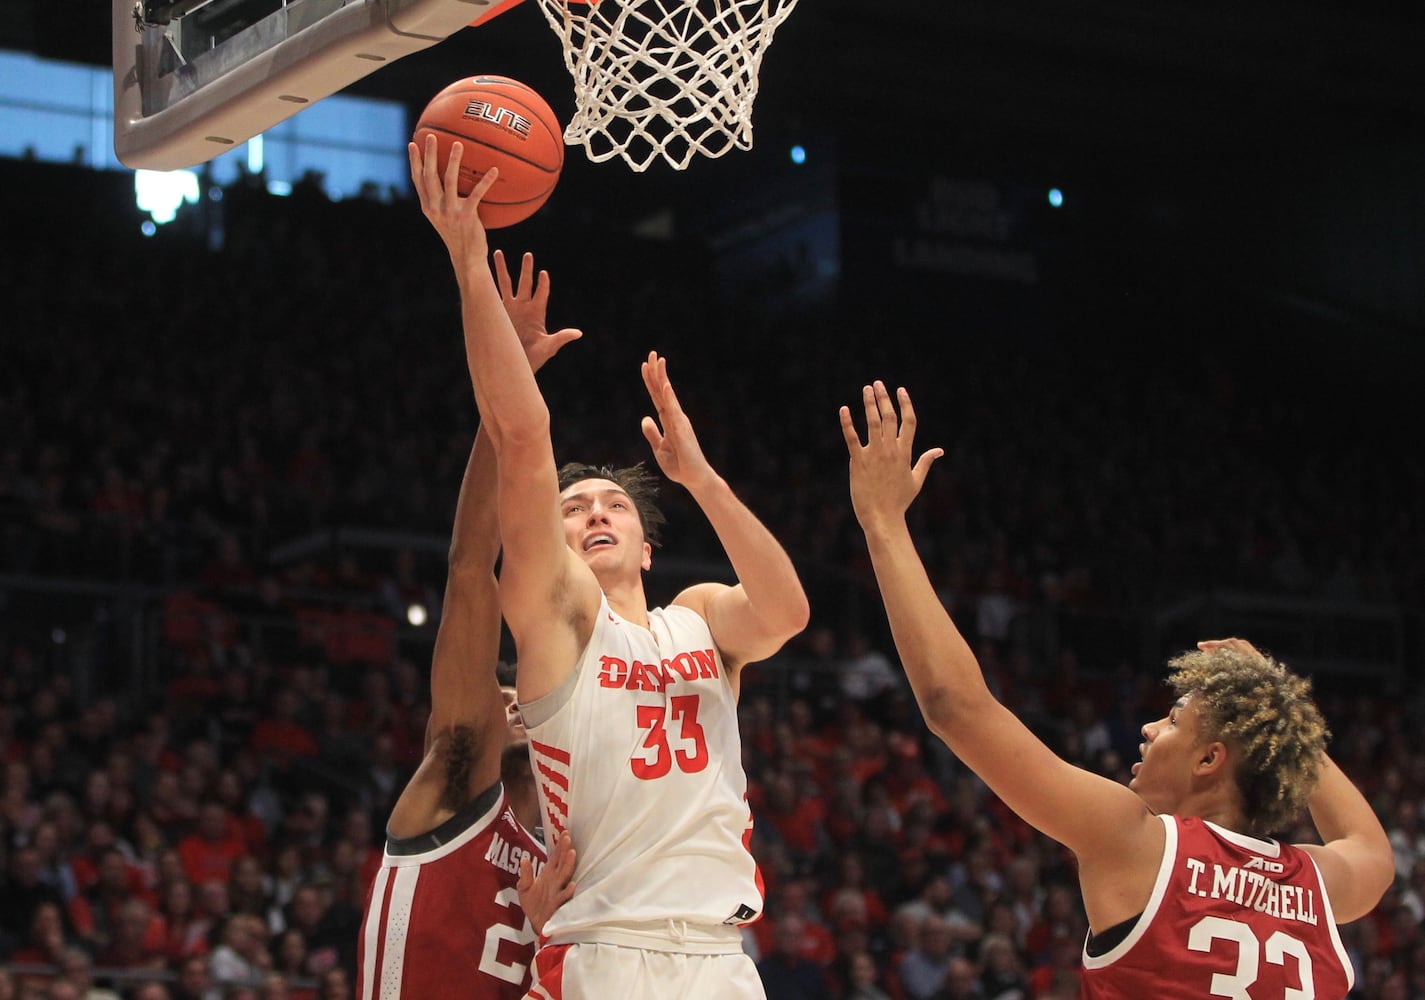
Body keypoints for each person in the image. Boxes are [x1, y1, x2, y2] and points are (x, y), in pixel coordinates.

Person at [409, 137, 811, 999]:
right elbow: (522, 437)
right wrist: (470, 265)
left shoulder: (698, 615)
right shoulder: (556, 620)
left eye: (614, 505)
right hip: (606, 949)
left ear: (646, 545)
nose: (595, 511)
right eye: (573, 508)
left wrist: (698, 476)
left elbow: (784, 614)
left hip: (722, 953)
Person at [838, 381, 1395, 1000]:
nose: (1150, 728)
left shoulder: (1137, 842)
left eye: (1174, 721)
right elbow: (1372, 848)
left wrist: (884, 524)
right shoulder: (1318, 883)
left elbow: (955, 707)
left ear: (1211, 759)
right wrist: (1277, 707)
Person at [353, 222, 580, 1000]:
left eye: (523, 699)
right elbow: (469, 569)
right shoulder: (454, 782)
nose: (511, 704)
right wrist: (507, 398)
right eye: (503, 694)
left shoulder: (563, 862)